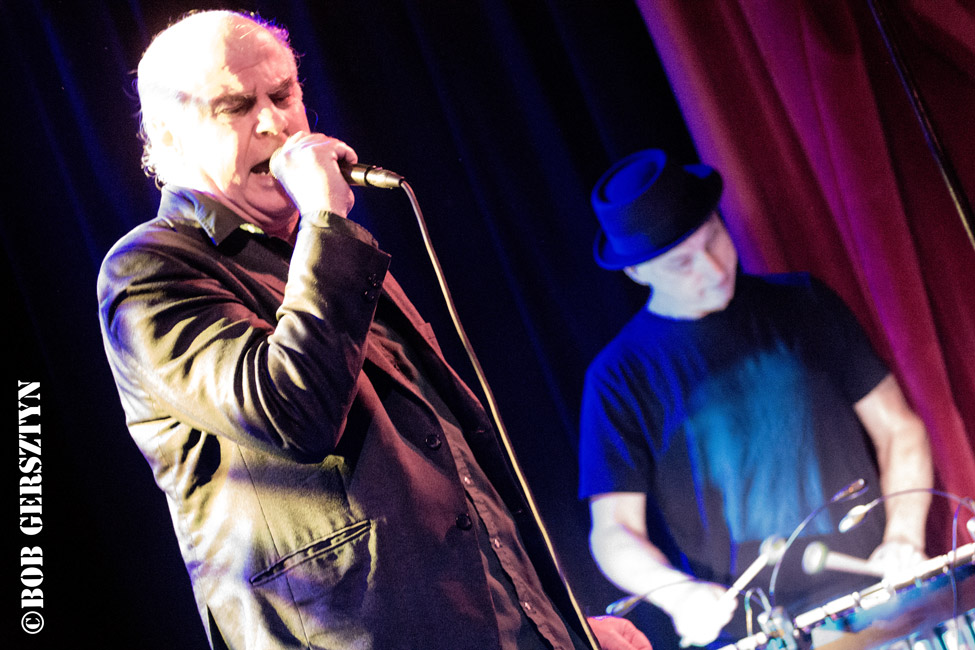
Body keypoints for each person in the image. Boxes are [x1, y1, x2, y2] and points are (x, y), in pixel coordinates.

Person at [97, 10, 652, 650]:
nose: (275, 123)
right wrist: (327, 224)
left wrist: (559, 623)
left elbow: (455, 468)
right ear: (167, 139)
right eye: (235, 106)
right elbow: (290, 412)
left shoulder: (317, 248)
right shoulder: (150, 271)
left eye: (283, 95)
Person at [577, 150, 934, 648]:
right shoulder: (618, 377)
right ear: (637, 272)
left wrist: (903, 538)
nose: (713, 267)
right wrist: (678, 594)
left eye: (715, 238)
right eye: (683, 262)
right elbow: (613, 532)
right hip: (759, 632)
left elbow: (898, 429)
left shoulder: (803, 303)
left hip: (878, 601)